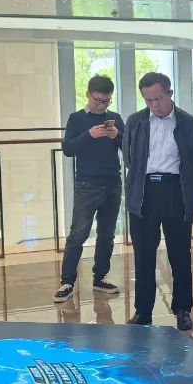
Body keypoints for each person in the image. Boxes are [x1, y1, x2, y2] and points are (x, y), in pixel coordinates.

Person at [123, 72, 193, 331]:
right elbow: (129, 158)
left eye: (158, 98)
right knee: (143, 255)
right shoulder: (135, 122)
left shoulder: (188, 123)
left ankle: (183, 309)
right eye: (148, 100)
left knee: (180, 254)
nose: (154, 105)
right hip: (144, 192)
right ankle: (143, 312)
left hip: (175, 191)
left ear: (169, 94)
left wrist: (184, 187)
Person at [54, 75, 124, 303]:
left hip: (112, 182)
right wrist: (89, 135)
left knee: (107, 234)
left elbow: (128, 147)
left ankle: (100, 277)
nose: (102, 105)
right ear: (88, 95)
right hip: (87, 184)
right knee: (78, 234)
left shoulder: (115, 119)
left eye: (106, 101)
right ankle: (67, 282)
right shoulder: (76, 118)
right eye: (98, 100)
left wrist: (117, 136)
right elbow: (68, 149)